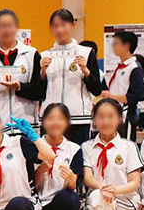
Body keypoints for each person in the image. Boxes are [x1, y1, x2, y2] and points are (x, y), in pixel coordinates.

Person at [82, 98, 142, 210]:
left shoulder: (129, 147)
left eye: (110, 116)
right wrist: (103, 189)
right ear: (94, 119)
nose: (105, 121)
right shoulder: (87, 147)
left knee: (99, 197)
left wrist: (115, 190)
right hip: (97, 202)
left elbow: (135, 182)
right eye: (101, 116)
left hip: (124, 202)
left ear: (119, 119)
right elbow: (88, 179)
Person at [40, 9, 103, 145]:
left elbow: (97, 89)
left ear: (73, 25)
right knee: (50, 160)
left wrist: (85, 70)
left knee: (78, 159)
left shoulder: (86, 53)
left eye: (64, 25)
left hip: (79, 118)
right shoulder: (43, 55)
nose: (60, 30)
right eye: (55, 26)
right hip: (51, 119)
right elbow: (38, 91)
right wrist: (42, 72)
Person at [0, 9, 43, 132]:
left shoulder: (32, 55)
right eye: (2, 26)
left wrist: (19, 87)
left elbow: (40, 91)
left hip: (26, 124)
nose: (6, 30)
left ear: (17, 28)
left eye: (10, 25)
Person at [31, 103, 83, 210]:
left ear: (67, 122)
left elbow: (74, 187)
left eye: (60, 118)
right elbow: (29, 185)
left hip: (61, 204)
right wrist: (40, 170)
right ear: (43, 121)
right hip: (40, 206)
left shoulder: (74, 149)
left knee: (70, 198)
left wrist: (71, 179)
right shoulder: (33, 147)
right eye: (51, 118)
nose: (55, 122)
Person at [100, 31, 144, 141]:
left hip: (126, 117)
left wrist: (112, 97)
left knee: (126, 147)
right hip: (113, 115)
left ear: (127, 45)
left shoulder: (134, 68)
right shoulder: (121, 67)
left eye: (116, 43)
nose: (113, 47)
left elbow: (138, 95)